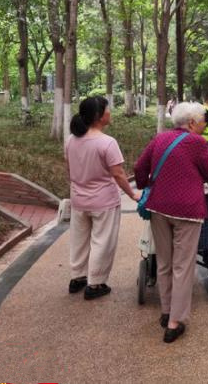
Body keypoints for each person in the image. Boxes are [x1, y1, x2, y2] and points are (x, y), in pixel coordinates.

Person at [134, 102, 208, 343]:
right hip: (187, 211)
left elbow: (139, 168)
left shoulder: (159, 139)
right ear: (191, 122)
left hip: (158, 209)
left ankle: (165, 310)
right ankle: (175, 322)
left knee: (164, 262)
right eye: (202, 120)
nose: (204, 125)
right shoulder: (197, 142)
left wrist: (145, 185)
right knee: (182, 265)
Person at [65, 96, 140, 300]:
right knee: (102, 242)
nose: (110, 113)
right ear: (99, 116)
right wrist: (133, 194)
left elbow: (69, 170)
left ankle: (77, 277)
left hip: (79, 200)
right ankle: (95, 284)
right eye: (108, 109)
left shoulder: (71, 140)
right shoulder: (107, 143)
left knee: (79, 240)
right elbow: (118, 174)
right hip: (103, 202)